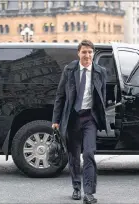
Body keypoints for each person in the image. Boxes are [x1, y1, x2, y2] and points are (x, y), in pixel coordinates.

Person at [52, 39, 107, 204]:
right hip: (72, 118)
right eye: (84, 52)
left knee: (89, 154)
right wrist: (56, 120)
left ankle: (89, 192)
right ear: (78, 53)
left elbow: (101, 96)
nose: (87, 55)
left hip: (90, 119)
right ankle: (76, 187)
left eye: (90, 52)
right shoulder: (69, 70)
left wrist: (100, 117)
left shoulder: (100, 72)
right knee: (74, 156)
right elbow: (60, 96)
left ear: (93, 54)